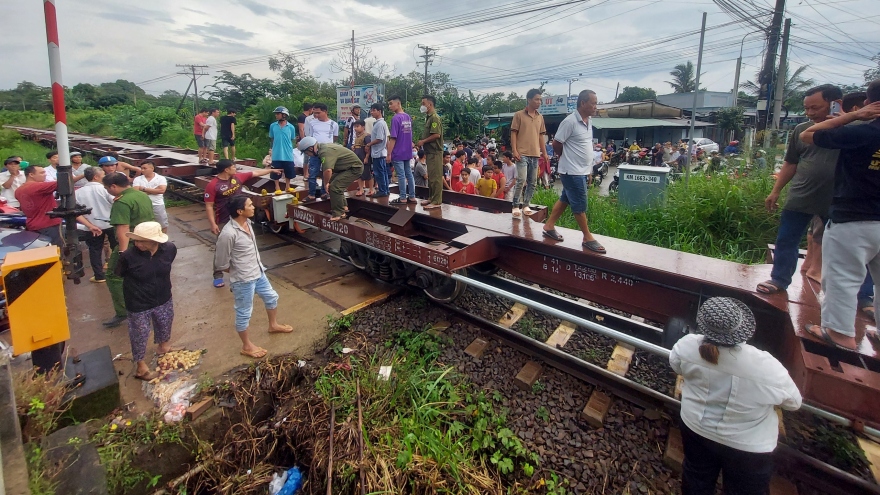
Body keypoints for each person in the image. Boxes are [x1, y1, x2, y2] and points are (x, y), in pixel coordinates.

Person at [670, 297, 802, 495]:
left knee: (696, 479)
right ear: (742, 330)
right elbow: (794, 402)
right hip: (747, 447)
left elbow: (676, 365)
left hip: (696, 428)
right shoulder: (766, 366)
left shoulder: (686, 346)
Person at [799, 81, 880, 350]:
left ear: (870, 103)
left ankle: (840, 334)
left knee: (843, 277)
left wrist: (852, 116)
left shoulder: (863, 132)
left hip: (854, 218)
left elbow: (808, 134)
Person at [757, 84, 843, 295]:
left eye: (815, 108)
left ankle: (852, 293)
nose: (810, 113)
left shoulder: (853, 129)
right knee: (787, 238)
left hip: (837, 198)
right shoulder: (801, 129)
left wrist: (845, 119)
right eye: (807, 108)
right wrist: (776, 190)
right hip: (802, 194)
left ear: (835, 104)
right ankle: (779, 279)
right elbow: (791, 163)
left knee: (842, 246)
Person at [215, 195, 293, 359]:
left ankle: (273, 325)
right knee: (244, 312)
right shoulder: (228, 234)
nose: (253, 207)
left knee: (271, 297)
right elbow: (221, 263)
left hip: (258, 272)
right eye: (250, 205)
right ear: (240, 211)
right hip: (243, 279)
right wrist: (239, 270)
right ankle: (247, 346)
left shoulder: (248, 223)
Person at [542, 90, 605, 254]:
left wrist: (588, 169)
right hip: (571, 171)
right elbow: (556, 144)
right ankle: (587, 237)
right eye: (593, 103)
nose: (595, 106)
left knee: (565, 199)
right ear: (583, 103)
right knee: (579, 204)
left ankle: (549, 226)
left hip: (581, 170)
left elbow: (584, 146)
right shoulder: (569, 121)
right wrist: (566, 157)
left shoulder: (588, 121)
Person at [116, 221, 177, 380]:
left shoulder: (169, 249)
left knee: (165, 322)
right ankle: (141, 367)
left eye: (142, 240)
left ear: (155, 241)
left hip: (163, 296)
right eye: (136, 240)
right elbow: (119, 274)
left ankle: (164, 347)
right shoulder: (128, 256)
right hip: (138, 301)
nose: (138, 244)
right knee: (140, 333)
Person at [205, 160, 274, 288]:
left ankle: (254, 267)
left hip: (241, 218)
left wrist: (270, 170)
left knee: (248, 244)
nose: (235, 169)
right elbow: (209, 205)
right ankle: (218, 274)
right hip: (224, 220)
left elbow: (255, 173)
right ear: (226, 169)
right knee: (222, 248)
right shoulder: (213, 185)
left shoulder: (237, 178)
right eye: (233, 167)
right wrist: (213, 223)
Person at [102, 171, 154, 328]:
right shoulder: (141, 195)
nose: (108, 191)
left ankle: (124, 311)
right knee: (142, 276)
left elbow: (123, 228)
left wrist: (122, 253)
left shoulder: (122, 202)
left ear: (113, 186)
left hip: (132, 243)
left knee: (114, 275)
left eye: (107, 188)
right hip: (148, 240)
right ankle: (148, 307)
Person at [297, 137, 363, 221]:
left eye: (307, 153)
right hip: (344, 168)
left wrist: (326, 184)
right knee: (334, 184)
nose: (308, 155)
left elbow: (328, 170)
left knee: (334, 187)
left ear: (311, 148)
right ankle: (343, 206)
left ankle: (339, 213)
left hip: (354, 168)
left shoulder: (325, 152)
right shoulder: (322, 148)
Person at [510, 89, 548, 219]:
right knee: (521, 180)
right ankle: (515, 205)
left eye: (540, 100)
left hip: (535, 154)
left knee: (533, 182)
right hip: (522, 153)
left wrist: (545, 153)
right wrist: (514, 150)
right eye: (537, 99)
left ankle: (526, 204)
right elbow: (513, 133)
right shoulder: (519, 115)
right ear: (529, 99)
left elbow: (541, 137)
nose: (539, 102)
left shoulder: (540, 117)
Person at [77, 166, 116, 282]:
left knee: (95, 251)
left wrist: (90, 226)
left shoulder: (78, 192)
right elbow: (116, 201)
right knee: (116, 247)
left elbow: (76, 213)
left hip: (92, 226)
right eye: (103, 175)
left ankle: (99, 276)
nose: (105, 176)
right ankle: (117, 272)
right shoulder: (106, 189)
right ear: (96, 177)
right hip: (111, 223)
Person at [15, 165, 64, 245]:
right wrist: (83, 175)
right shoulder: (38, 186)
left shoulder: (18, 191)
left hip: (32, 226)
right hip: (49, 225)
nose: (45, 174)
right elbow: (64, 183)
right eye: (42, 173)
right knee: (56, 251)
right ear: (31, 175)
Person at [304, 103, 339, 200]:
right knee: (313, 173)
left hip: (327, 153)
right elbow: (310, 136)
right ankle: (311, 194)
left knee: (326, 172)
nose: (316, 115)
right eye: (314, 113)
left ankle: (325, 192)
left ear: (325, 112)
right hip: (315, 152)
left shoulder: (333, 124)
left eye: (318, 113)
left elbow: (335, 137)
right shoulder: (312, 123)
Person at [387, 96, 416, 205]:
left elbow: (393, 138)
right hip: (407, 151)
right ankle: (412, 197)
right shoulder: (407, 117)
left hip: (398, 151)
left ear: (398, 103)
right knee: (409, 173)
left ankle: (403, 197)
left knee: (401, 175)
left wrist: (389, 153)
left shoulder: (395, 118)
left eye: (391, 103)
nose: (389, 106)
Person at [417, 95, 444, 209]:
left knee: (436, 178)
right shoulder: (429, 117)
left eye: (423, 103)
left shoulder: (434, 118)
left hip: (435, 152)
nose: (422, 106)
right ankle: (431, 198)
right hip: (430, 152)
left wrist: (423, 141)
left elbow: (436, 135)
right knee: (432, 177)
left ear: (430, 104)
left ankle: (436, 201)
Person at [132, 161, 169, 232]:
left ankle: (163, 240)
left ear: (152, 168)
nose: (142, 170)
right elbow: (136, 192)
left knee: (162, 224)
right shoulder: (138, 179)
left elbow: (161, 190)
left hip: (157, 204)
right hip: (142, 205)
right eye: (141, 168)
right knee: (143, 224)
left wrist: (143, 189)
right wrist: (154, 190)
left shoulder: (161, 178)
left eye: (144, 168)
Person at [269, 106, 297, 193]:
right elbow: (272, 138)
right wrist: (272, 148)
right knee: (275, 171)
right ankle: (277, 188)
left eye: (278, 114)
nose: (276, 116)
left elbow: (292, 138)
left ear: (284, 115)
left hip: (287, 153)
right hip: (277, 152)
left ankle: (287, 186)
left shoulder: (291, 127)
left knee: (288, 170)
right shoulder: (273, 126)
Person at [365, 103, 390, 198]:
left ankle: (383, 191)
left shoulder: (379, 124)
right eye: (371, 110)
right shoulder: (380, 123)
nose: (372, 112)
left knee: (379, 173)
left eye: (374, 110)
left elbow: (379, 138)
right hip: (380, 152)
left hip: (378, 152)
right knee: (382, 172)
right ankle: (385, 190)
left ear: (379, 111)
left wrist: (369, 144)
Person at [351, 120, 374, 196]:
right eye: (355, 127)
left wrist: (367, 157)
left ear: (363, 127)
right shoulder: (357, 136)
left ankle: (371, 189)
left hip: (364, 157)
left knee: (367, 173)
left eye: (357, 126)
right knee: (359, 174)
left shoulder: (366, 136)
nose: (355, 128)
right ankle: (361, 189)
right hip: (358, 157)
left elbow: (368, 148)